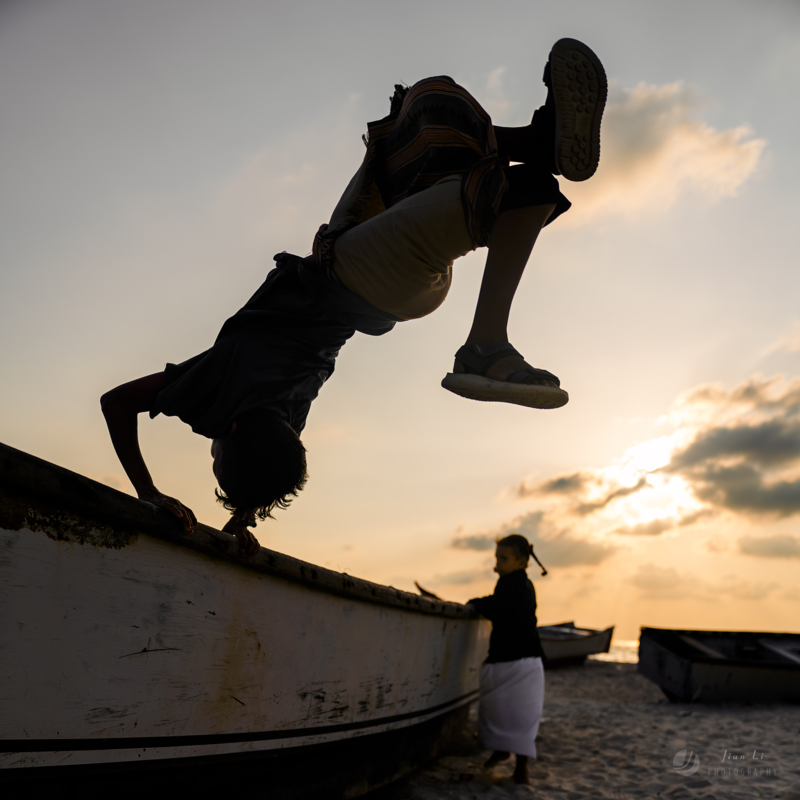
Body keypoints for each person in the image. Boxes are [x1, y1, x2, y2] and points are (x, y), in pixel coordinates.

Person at [100, 39, 607, 557]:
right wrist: (149, 492)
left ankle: (533, 141)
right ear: (227, 430)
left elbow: (263, 454)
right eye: (215, 454)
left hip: (396, 290)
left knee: (418, 151)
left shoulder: (287, 418)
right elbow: (116, 404)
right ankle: (485, 345)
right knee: (510, 186)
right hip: (359, 271)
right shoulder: (216, 396)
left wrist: (243, 515)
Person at [467, 533, 547, 785]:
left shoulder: (508, 583)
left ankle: (508, 757)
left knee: (499, 710)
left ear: (522, 561)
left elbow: (498, 607)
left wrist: (475, 603)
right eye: (497, 558)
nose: (499, 562)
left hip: (510, 659)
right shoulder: (526, 585)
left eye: (504, 558)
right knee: (522, 716)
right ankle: (518, 766)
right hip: (530, 659)